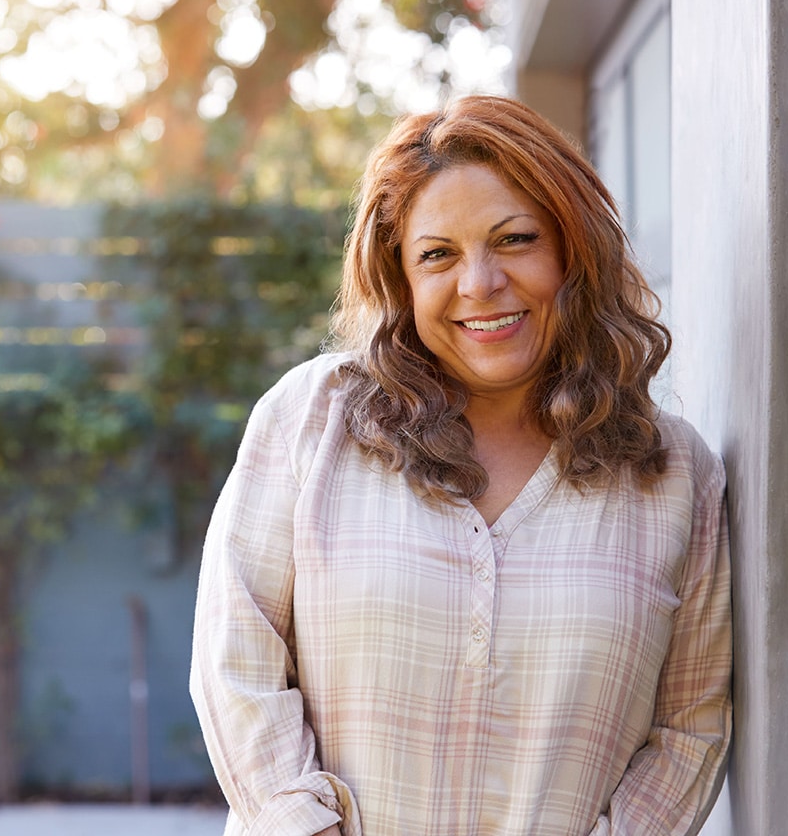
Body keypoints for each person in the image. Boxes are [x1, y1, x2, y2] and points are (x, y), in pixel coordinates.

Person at [189, 95, 732, 836]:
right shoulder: (308, 422)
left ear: (574, 252)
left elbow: (690, 727)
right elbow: (236, 660)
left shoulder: (676, 477)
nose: (479, 284)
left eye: (514, 239)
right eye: (437, 254)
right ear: (400, 278)